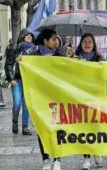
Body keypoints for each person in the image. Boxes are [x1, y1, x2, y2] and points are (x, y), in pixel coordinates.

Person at [26, 29, 64, 170]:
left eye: (56, 39)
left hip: (56, 98)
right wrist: (21, 61)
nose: (56, 41)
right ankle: (46, 159)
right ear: (45, 41)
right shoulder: (33, 56)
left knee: (57, 128)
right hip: (40, 98)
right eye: (53, 39)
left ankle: (57, 159)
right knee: (42, 129)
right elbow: (25, 72)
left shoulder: (60, 55)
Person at [74, 33, 103, 169]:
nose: (87, 44)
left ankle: (96, 150)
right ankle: (87, 158)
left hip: (95, 98)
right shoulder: (74, 57)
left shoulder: (99, 58)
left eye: (90, 41)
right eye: (85, 41)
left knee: (95, 128)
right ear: (81, 43)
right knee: (84, 129)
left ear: (94, 44)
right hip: (79, 98)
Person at [4, 28, 37, 136]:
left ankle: (25, 127)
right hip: (16, 80)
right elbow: (8, 64)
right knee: (17, 103)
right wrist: (11, 79)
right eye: (27, 34)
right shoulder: (16, 48)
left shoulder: (35, 49)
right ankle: (15, 122)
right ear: (22, 36)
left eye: (31, 35)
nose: (29, 36)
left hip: (28, 80)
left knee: (26, 104)